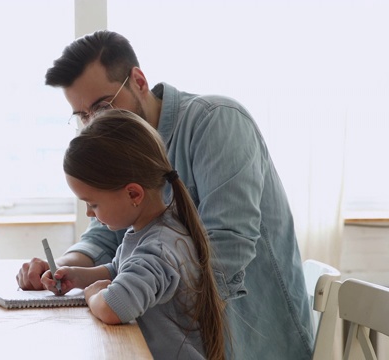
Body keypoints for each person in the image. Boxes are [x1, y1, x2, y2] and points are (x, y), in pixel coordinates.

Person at [17, 30, 313, 359]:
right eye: (83, 116)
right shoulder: (129, 162)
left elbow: (226, 250)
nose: (94, 123)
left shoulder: (216, 121)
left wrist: (123, 293)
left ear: (138, 81)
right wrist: (60, 270)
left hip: (249, 344)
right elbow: (108, 233)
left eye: (101, 106)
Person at [41, 109, 226, 360]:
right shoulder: (150, 230)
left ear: (133, 194)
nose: (89, 214)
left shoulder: (159, 248)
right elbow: (119, 271)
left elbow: (115, 307)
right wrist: (78, 276)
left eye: (93, 204)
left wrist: (92, 296)